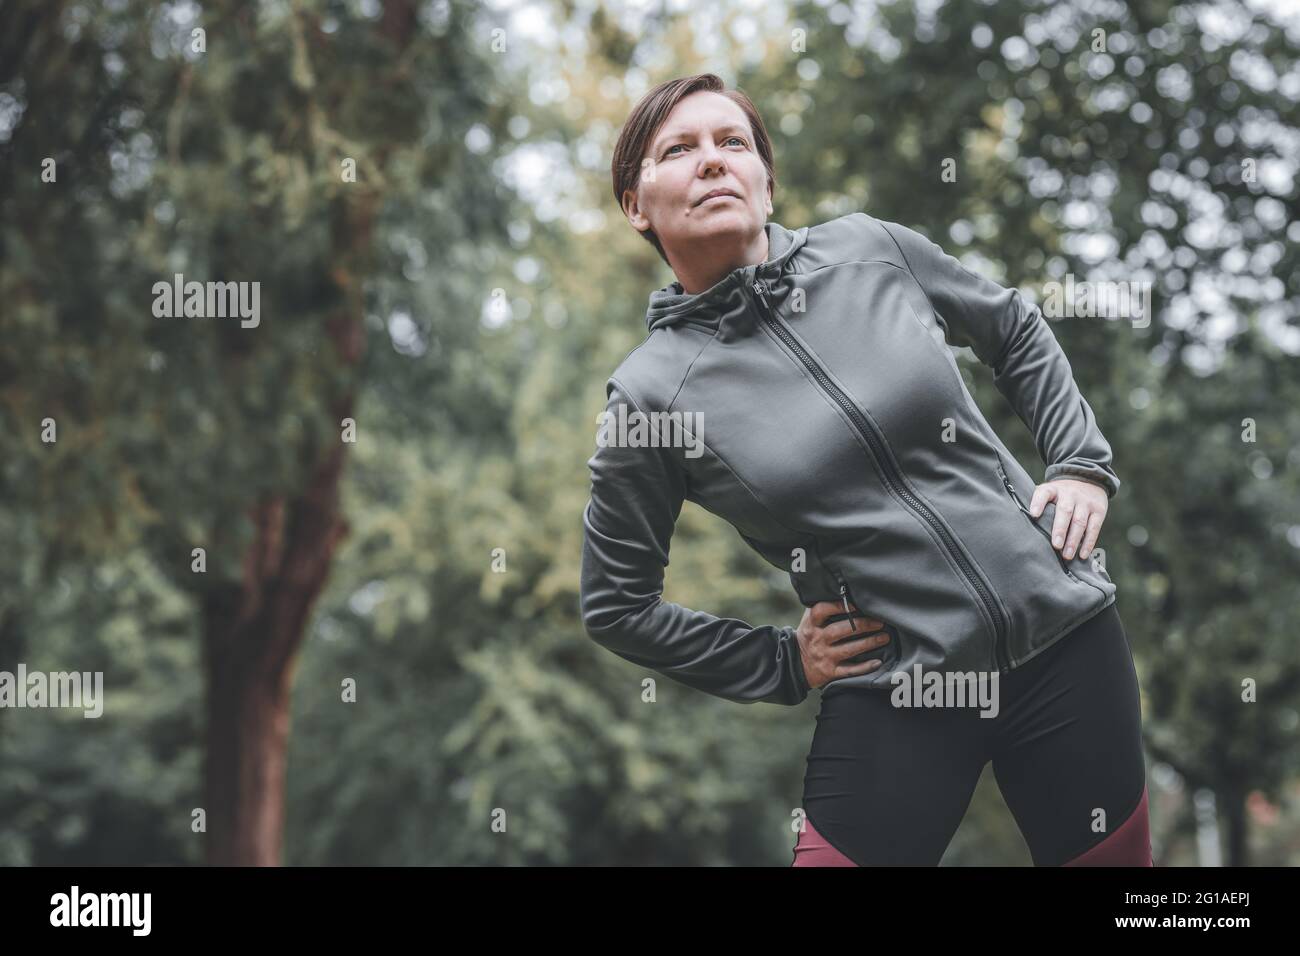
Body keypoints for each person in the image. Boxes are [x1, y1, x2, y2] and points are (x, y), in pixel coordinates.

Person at [579, 73, 1151, 866]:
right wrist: (780, 661)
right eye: (678, 150)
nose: (712, 162)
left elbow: (1013, 326)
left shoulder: (871, 249)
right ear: (637, 206)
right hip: (899, 693)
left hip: (1065, 640)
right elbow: (617, 604)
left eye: (732, 142)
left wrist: (1082, 462)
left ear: (766, 183)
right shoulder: (650, 395)